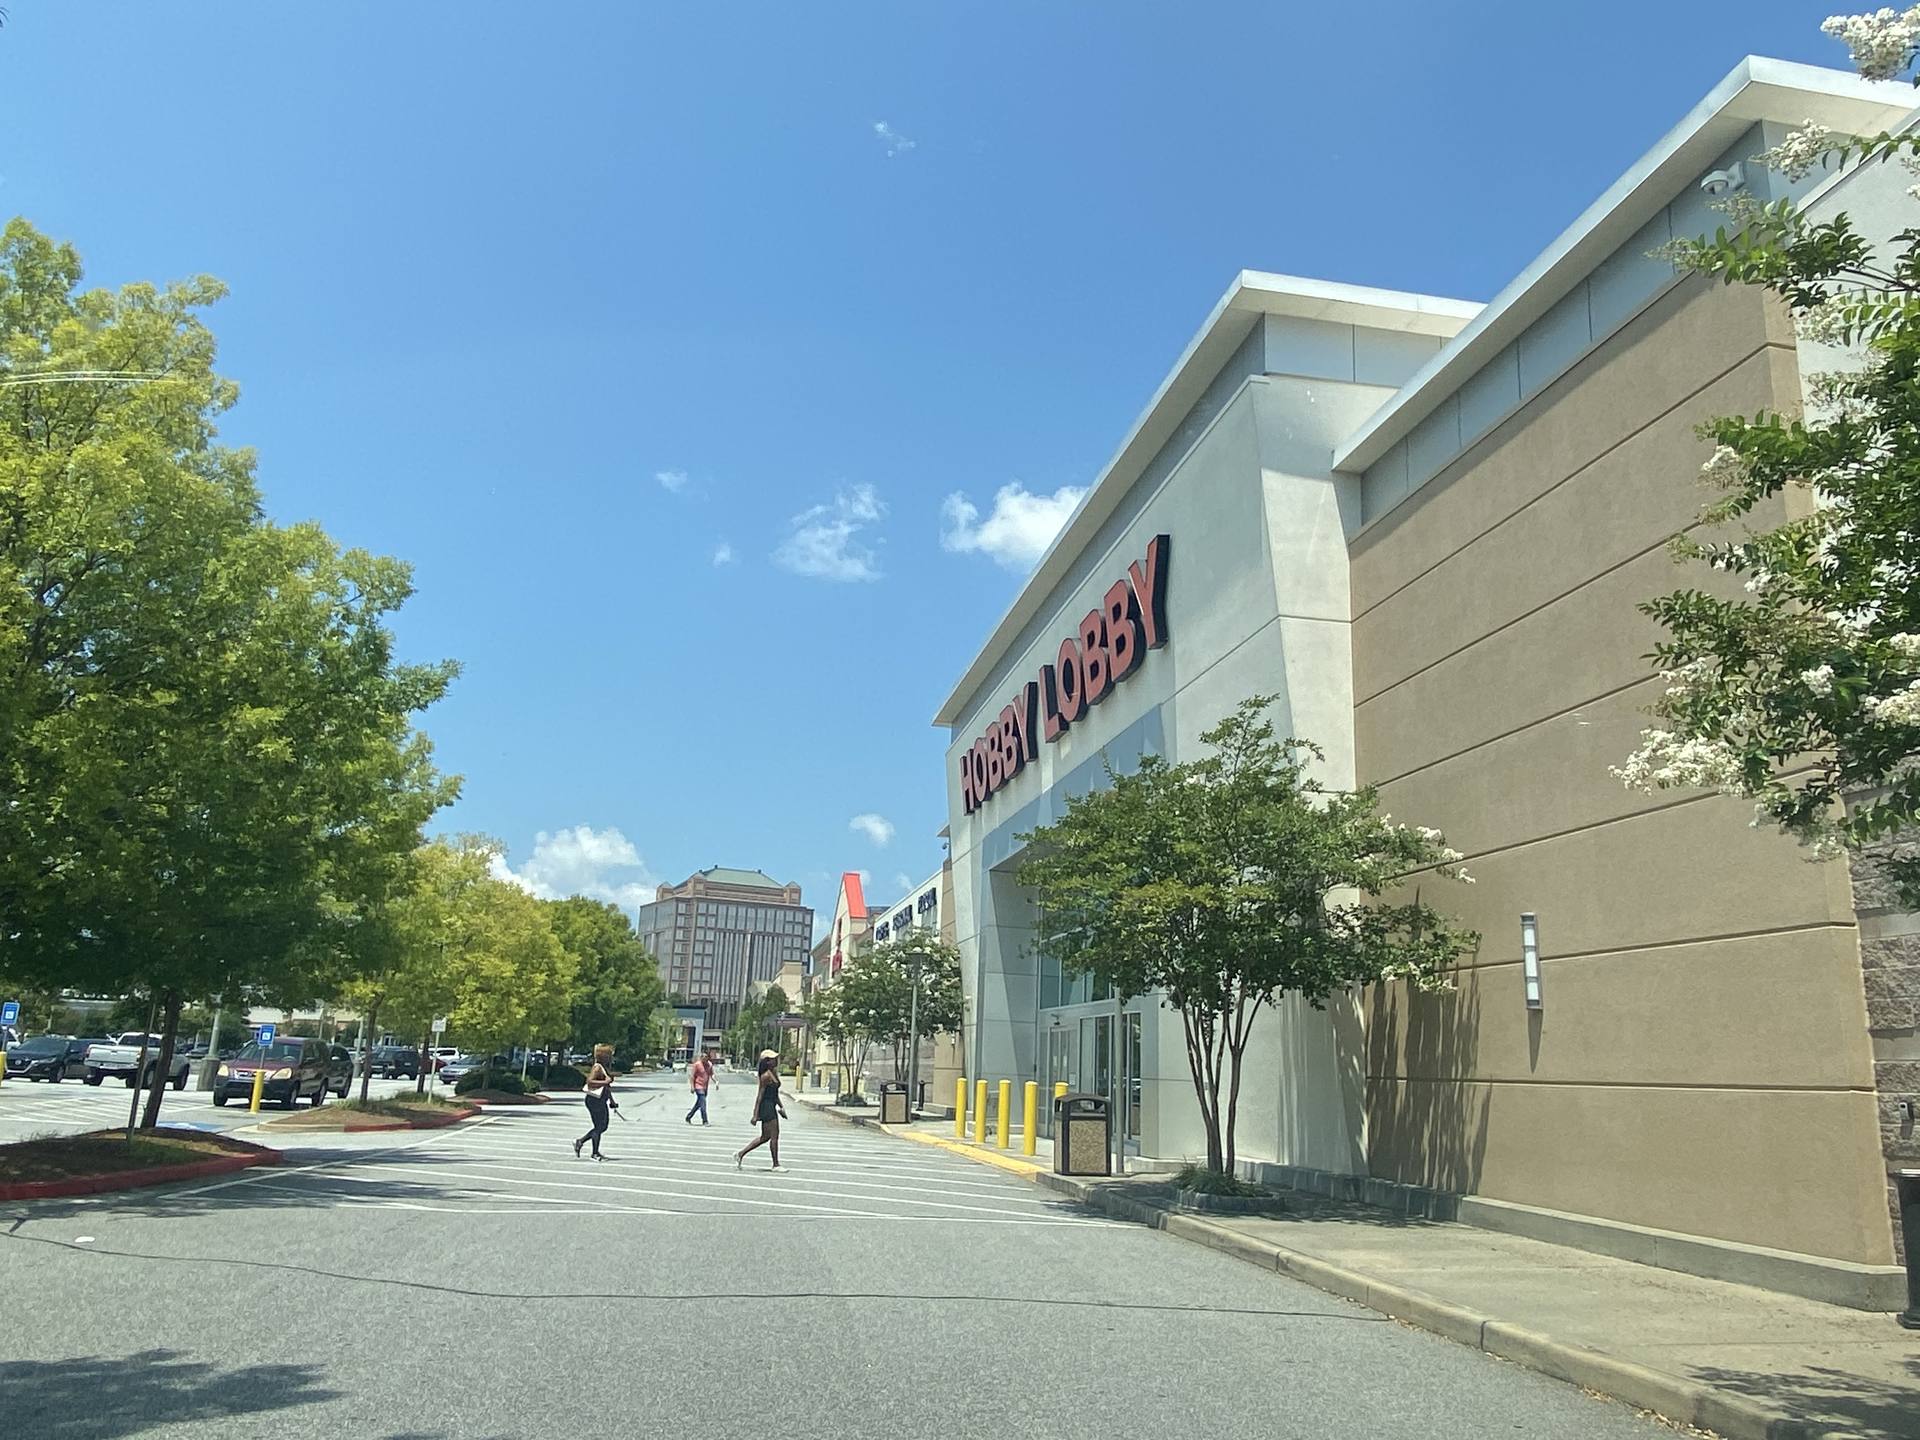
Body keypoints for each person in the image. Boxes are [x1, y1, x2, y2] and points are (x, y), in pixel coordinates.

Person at [735, 1049, 787, 1172]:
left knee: (765, 1137)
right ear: (767, 1061)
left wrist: (781, 1106)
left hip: (772, 1105)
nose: (776, 1061)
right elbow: (760, 1096)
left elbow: (775, 1094)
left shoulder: (773, 1073)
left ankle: (740, 1154)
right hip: (766, 1107)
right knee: (774, 1135)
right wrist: (755, 1114)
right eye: (773, 1059)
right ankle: (776, 1164)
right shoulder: (766, 1076)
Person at [574, 1044, 618, 1160]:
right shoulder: (597, 1068)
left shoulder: (604, 1068)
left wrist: (612, 1101)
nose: (610, 1058)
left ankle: (581, 1142)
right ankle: (594, 1153)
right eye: (608, 1055)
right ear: (603, 1056)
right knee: (599, 1126)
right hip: (594, 1100)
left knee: (602, 1126)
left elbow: (607, 1087)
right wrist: (605, 1082)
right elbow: (589, 1081)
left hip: (601, 1100)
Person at [684, 1051, 714, 1125]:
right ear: (701, 1058)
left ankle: (688, 1117)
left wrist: (716, 1081)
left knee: (698, 1104)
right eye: (703, 1057)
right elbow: (692, 1076)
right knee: (703, 1104)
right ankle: (705, 1121)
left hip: (705, 1087)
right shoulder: (697, 1065)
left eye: (706, 1057)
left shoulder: (709, 1065)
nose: (704, 1058)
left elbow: (712, 1074)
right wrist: (692, 1086)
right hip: (698, 1086)